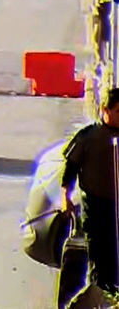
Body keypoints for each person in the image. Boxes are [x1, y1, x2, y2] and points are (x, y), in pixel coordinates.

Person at [62, 89, 119, 307]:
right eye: (118, 111)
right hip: (96, 208)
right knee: (100, 263)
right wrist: (65, 197)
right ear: (105, 110)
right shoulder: (89, 137)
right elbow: (70, 168)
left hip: (117, 207)